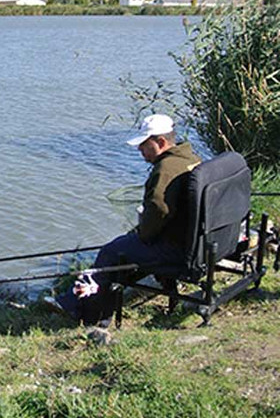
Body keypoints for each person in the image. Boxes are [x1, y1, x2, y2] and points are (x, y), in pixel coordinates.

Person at [51, 114, 202, 325]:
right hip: (195, 243)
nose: (139, 150)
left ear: (160, 142)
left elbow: (158, 208)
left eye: (143, 144)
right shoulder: (191, 158)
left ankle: (87, 311)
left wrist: (142, 234)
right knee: (121, 248)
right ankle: (79, 300)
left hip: (175, 249)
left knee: (110, 252)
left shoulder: (165, 169)